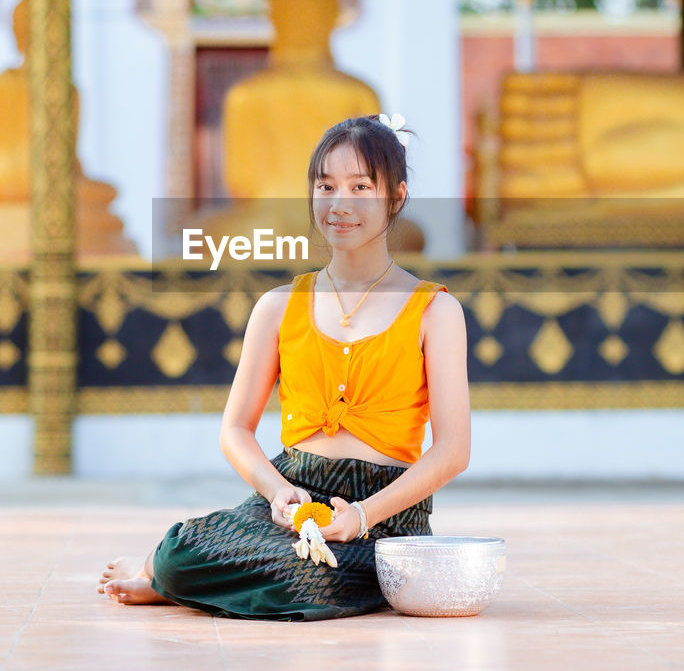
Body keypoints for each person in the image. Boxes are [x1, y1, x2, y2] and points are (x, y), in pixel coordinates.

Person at [98, 114, 470, 621]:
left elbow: (452, 451)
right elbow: (235, 429)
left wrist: (361, 516)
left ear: (396, 196)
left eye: (361, 187)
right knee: (182, 553)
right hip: (293, 495)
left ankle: (175, 583)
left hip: (384, 514)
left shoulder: (435, 311)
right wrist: (277, 492)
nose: (340, 203)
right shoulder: (278, 306)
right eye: (326, 186)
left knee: (314, 575)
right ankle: (166, 571)